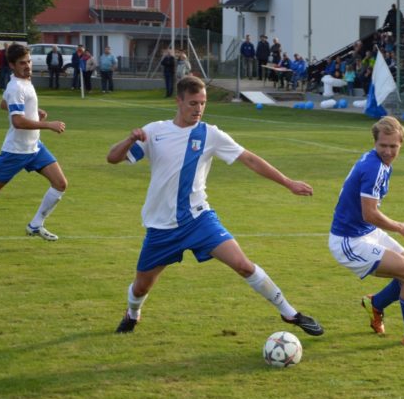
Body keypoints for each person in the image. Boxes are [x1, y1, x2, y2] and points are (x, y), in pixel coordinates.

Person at [106, 75, 324, 337]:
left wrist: (288, 183)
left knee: (243, 265)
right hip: (161, 227)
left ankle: (290, 313)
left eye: (203, 103)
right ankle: (133, 314)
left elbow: (250, 159)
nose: (198, 109)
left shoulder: (210, 134)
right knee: (141, 287)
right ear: (178, 101)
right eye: (193, 103)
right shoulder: (154, 131)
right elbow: (112, 158)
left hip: (198, 220)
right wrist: (130, 139)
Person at [328, 116, 404, 347]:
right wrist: (400, 227)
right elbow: (369, 213)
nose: (388, 151)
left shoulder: (379, 163)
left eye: (393, 146)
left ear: (401, 144)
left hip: (366, 232)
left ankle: (376, 304)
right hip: (349, 241)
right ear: (375, 143)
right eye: (383, 145)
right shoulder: (374, 167)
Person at [0, 43, 68, 240]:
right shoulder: (16, 86)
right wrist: (48, 124)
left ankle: (35, 225)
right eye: (22, 63)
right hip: (16, 151)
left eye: (29, 61)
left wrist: (33, 111)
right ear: (12, 65)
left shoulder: (24, 81)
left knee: (60, 183)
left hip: (34, 148)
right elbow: (17, 122)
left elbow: (4, 104)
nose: (27, 66)